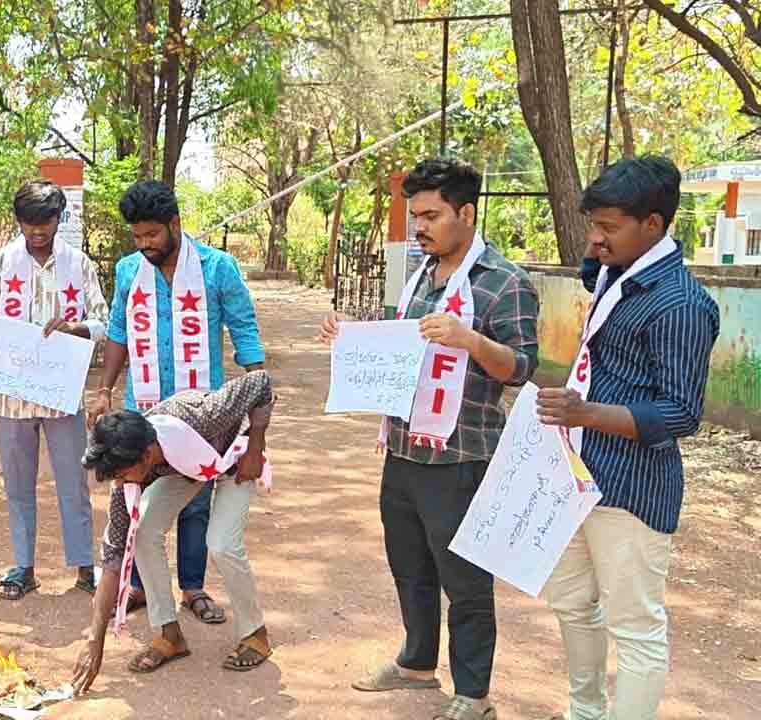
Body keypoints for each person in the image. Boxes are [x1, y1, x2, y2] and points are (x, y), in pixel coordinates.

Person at [321, 157, 540, 720]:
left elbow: (520, 368)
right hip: (403, 446)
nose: (419, 227)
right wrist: (349, 339)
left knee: (463, 578)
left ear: (466, 212)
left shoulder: (504, 282)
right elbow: (404, 347)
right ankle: (417, 664)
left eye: (431, 215)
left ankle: (473, 693)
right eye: (414, 215)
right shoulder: (423, 275)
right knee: (409, 563)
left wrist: (469, 340)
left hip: (462, 455)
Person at [536, 157, 719, 720]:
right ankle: (584, 712)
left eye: (608, 227)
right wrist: (599, 252)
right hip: (579, 475)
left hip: (631, 489)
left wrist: (584, 413)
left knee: (635, 627)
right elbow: (597, 282)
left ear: (655, 224)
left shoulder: (682, 304)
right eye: (594, 225)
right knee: (572, 604)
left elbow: (680, 414)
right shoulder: (620, 271)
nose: (595, 239)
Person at [86, 179, 264, 626]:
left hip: (201, 413)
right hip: (143, 406)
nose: (144, 244)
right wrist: (105, 387)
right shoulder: (129, 271)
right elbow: (119, 331)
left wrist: (256, 384)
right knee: (136, 493)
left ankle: (193, 587)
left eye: (152, 235)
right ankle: (143, 585)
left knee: (196, 500)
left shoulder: (218, 268)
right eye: (137, 236)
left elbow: (243, 328)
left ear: (174, 224)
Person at [71, 370, 275, 694]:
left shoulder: (203, 415)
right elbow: (113, 560)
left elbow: (261, 382)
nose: (121, 485)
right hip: (184, 467)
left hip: (235, 456)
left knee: (221, 543)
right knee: (141, 533)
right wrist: (95, 639)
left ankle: (256, 634)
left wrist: (256, 448)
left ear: (147, 455)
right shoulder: (128, 472)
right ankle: (170, 635)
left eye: (123, 475)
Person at [0, 180, 109, 600]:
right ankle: (23, 567)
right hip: (11, 397)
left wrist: (77, 327)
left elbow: (103, 319)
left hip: (62, 393)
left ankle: (85, 567)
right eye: (29, 224)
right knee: (17, 484)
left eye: (44, 223)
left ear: (58, 218)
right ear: (19, 222)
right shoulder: (0, 264)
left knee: (73, 480)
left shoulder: (78, 265)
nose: (37, 233)